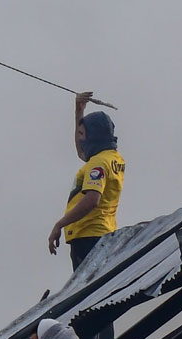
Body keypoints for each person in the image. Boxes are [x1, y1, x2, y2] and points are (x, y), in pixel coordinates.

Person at [48, 92, 125, 268]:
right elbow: (81, 151)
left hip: (88, 236)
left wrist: (60, 224)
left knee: (90, 287)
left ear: (93, 135)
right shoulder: (112, 157)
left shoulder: (98, 163)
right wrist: (79, 112)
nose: (80, 138)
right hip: (102, 233)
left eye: (83, 133)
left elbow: (92, 199)